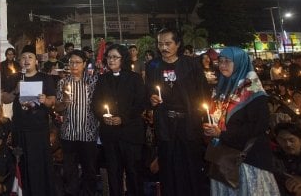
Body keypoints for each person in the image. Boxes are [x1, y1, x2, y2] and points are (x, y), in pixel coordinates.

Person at [202, 46, 279, 195]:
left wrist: (222, 134)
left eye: (228, 61)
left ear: (240, 63)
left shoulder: (253, 91)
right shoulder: (222, 87)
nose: (222, 65)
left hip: (248, 160)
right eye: (220, 61)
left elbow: (258, 125)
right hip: (224, 160)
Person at [146, 28, 208, 196]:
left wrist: (203, 116)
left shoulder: (191, 64)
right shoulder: (153, 65)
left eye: (168, 43)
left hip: (189, 123)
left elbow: (203, 92)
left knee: (191, 165)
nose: (163, 48)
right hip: (165, 124)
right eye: (160, 44)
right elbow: (148, 91)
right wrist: (151, 99)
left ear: (178, 44)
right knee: (168, 165)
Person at [92, 44, 146, 196]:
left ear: (123, 59)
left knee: (133, 173)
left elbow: (140, 103)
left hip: (130, 134)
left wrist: (122, 118)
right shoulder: (102, 79)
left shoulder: (134, 78)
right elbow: (96, 103)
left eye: (115, 57)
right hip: (110, 134)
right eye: (109, 57)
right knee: (113, 173)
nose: (111, 60)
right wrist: (103, 116)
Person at [1, 44, 56, 195]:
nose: (26, 60)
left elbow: (53, 100)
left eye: (30, 57)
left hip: (38, 129)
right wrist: (15, 91)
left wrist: (45, 100)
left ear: (36, 61)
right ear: (19, 61)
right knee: (21, 165)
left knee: (38, 165)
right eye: (23, 57)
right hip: (20, 128)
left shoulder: (46, 78)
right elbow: (4, 99)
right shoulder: (14, 78)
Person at [54, 49, 99, 195]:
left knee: (89, 170)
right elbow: (58, 108)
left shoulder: (93, 81)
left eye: (77, 62)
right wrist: (64, 103)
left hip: (88, 133)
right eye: (71, 62)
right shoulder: (62, 82)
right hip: (69, 134)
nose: (74, 65)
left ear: (84, 64)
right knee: (69, 171)